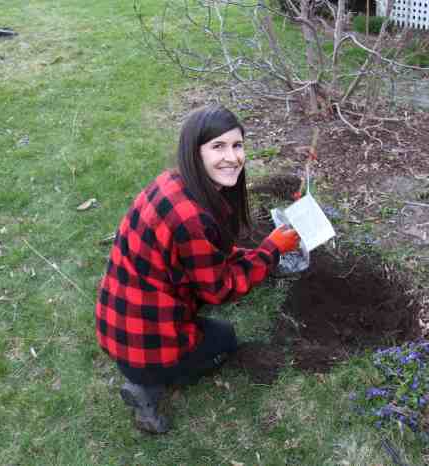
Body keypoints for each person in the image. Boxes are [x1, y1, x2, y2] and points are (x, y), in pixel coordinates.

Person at [95, 104, 300, 434]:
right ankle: (147, 388)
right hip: (143, 340)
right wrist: (272, 251)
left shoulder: (171, 182)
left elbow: (207, 257)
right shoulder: (192, 219)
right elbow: (219, 289)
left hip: (118, 322)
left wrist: (252, 254)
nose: (231, 157)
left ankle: (143, 375)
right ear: (195, 151)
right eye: (217, 147)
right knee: (225, 339)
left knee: (212, 331)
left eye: (237, 145)